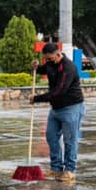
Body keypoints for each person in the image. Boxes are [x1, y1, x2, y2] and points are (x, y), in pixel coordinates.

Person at [32, 42, 86, 182]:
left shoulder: (68, 68)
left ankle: (69, 170)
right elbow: (45, 69)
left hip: (71, 107)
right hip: (55, 108)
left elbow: (59, 91)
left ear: (58, 54)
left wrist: (37, 98)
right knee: (51, 137)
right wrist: (36, 67)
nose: (48, 61)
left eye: (49, 59)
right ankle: (56, 168)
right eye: (46, 59)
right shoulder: (51, 63)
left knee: (70, 140)